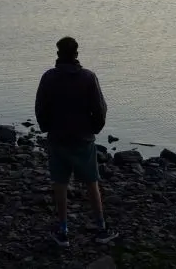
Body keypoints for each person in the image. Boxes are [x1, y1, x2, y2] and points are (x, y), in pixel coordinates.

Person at [35, 36, 117, 247]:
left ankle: (63, 230)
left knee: (60, 183)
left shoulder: (49, 77)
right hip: (82, 138)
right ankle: (101, 228)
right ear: (76, 54)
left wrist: (47, 127)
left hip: (58, 137)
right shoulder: (88, 77)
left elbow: (40, 107)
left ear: (58, 54)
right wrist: (93, 129)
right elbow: (100, 109)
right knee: (91, 182)